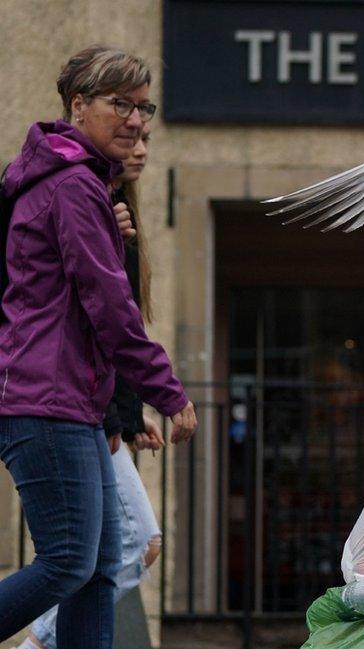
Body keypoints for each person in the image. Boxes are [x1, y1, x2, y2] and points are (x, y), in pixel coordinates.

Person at [0, 46, 196, 648]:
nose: (137, 120)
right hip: (46, 400)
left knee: (100, 568)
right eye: (121, 104)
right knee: (67, 562)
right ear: (78, 105)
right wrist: (165, 390)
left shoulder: (74, 186)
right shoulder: (73, 186)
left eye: (144, 107)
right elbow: (110, 308)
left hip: (70, 404)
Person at [19, 125, 165, 649]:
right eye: (130, 132)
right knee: (93, 557)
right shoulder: (76, 199)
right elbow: (101, 321)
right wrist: (115, 417)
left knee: (106, 559)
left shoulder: (115, 215)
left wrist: (128, 414)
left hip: (91, 407)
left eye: (146, 131)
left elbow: (119, 326)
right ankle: (37, 644)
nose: (140, 147)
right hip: (70, 408)